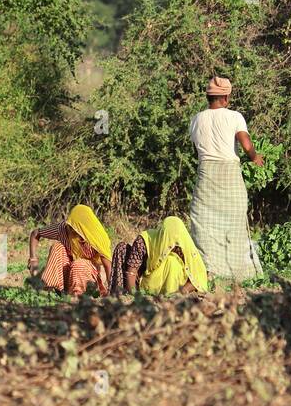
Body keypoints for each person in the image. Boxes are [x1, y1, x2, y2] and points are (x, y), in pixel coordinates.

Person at [188, 76, 266, 280]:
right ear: (224, 97)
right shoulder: (234, 117)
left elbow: (197, 149)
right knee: (234, 222)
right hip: (229, 174)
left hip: (206, 174)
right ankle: (237, 272)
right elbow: (245, 143)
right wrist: (255, 157)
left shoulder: (196, 119)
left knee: (204, 223)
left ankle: (208, 271)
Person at [110, 216, 209, 296]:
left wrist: (181, 292)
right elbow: (131, 271)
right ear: (162, 234)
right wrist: (133, 296)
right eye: (168, 240)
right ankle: (119, 294)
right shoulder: (145, 240)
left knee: (172, 262)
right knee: (122, 248)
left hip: (174, 289)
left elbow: (199, 277)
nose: (172, 245)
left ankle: (167, 295)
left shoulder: (186, 246)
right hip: (143, 283)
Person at [27, 205, 112, 296]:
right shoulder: (64, 229)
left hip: (87, 279)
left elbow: (107, 265)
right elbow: (36, 233)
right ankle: (55, 288)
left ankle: (78, 295)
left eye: (77, 230)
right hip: (68, 276)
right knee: (57, 247)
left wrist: (110, 290)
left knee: (79, 264)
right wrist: (33, 259)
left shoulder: (96, 236)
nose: (72, 232)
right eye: (71, 228)